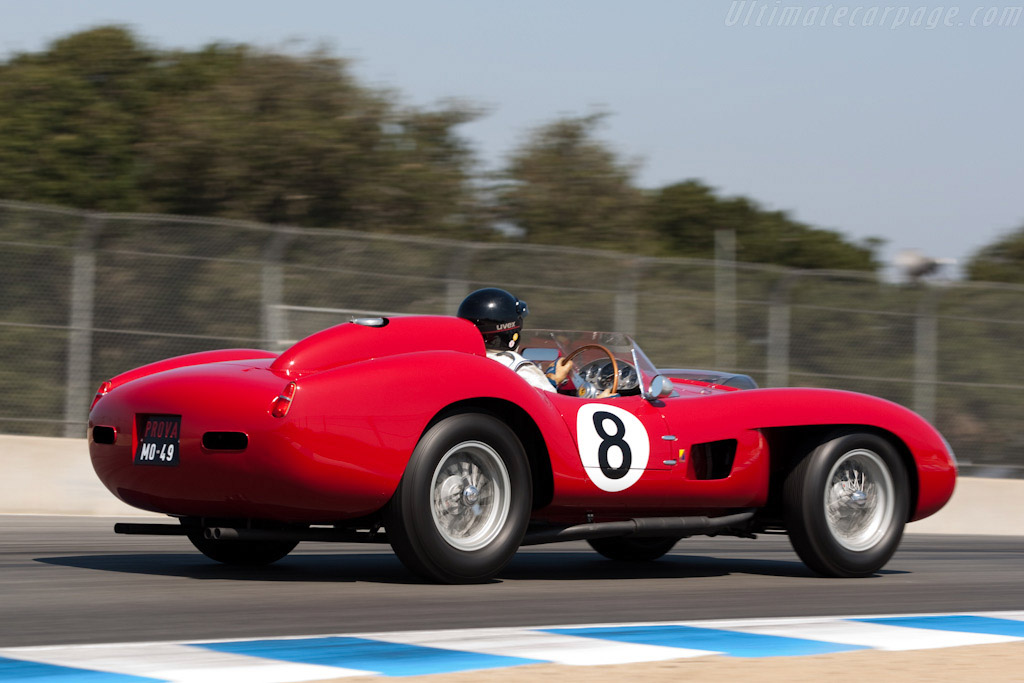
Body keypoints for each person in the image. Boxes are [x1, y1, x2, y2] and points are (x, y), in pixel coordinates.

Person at [457, 287, 610, 397]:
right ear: (511, 332)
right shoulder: (517, 367)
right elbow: (551, 407)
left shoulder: (463, 361)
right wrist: (599, 402)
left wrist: (552, 379)